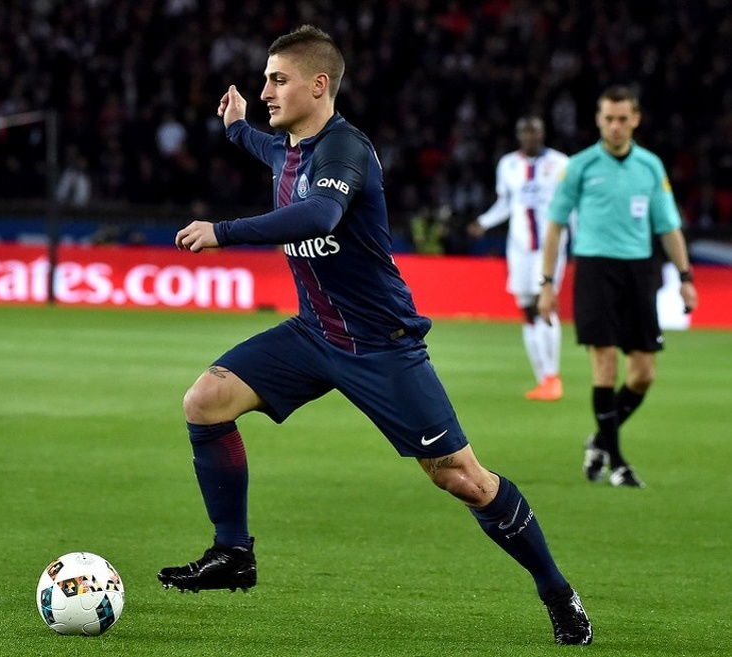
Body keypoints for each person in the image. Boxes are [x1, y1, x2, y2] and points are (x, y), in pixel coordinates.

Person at [158, 25, 592, 646]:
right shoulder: (288, 145)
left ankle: (555, 589)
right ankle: (234, 553)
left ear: (319, 84)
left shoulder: (345, 151)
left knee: (461, 478)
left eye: (277, 80)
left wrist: (224, 230)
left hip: (381, 346)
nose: (265, 91)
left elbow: (319, 214)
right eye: (263, 80)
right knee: (205, 401)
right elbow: (264, 147)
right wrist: (234, 128)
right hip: (313, 334)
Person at [538, 85, 698, 488]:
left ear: (636, 119)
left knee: (643, 373)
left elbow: (669, 228)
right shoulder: (579, 167)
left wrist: (685, 277)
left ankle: (599, 440)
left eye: (623, 119)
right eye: (608, 118)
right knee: (604, 363)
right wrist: (546, 283)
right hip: (594, 270)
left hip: (638, 272)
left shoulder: (650, 167)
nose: (615, 126)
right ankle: (620, 463)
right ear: (598, 119)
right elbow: (555, 226)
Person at [469, 117, 569, 401]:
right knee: (527, 309)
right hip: (520, 248)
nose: (530, 137)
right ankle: (543, 378)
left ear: (543, 133)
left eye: (534, 131)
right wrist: (484, 222)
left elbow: (570, 206)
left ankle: (553, 375)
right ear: (518, 136)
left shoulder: (561, 164)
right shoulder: (509, 165)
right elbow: (506, 203)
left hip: (549, 248)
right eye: (524, 132)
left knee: (544, 305)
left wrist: (578, 236)